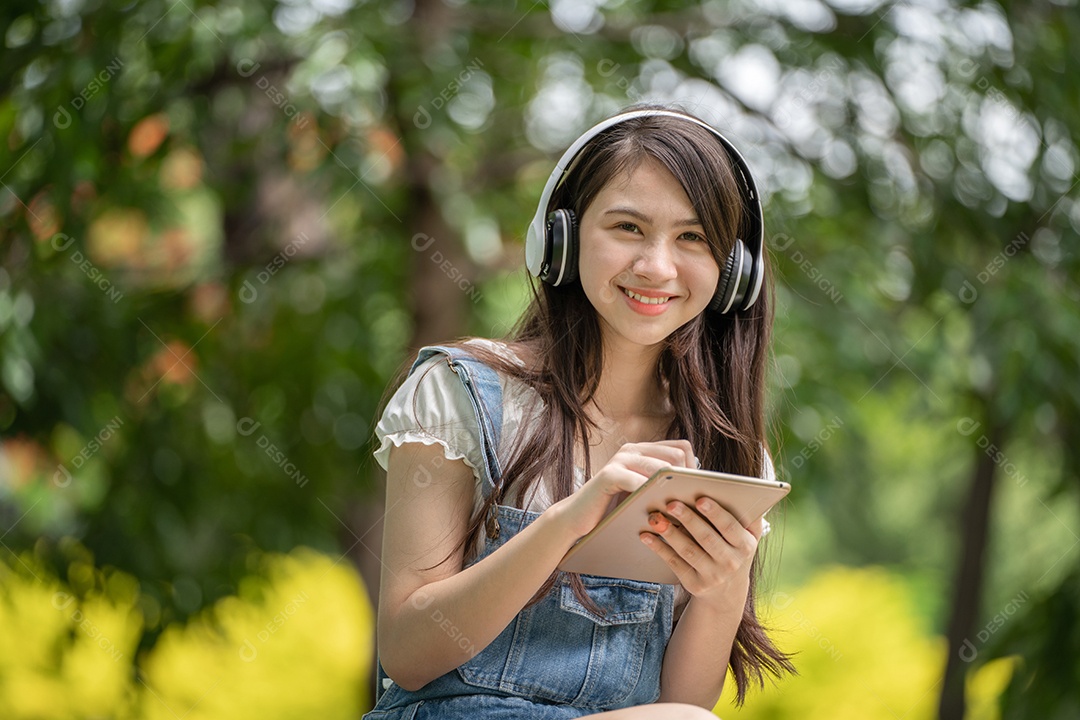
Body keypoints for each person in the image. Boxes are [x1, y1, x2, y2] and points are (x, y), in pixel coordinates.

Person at [363, 104, 794, 720]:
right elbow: (406, 653)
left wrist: (723, 589)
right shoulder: (462, 393)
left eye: (693, 237)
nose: (657, 266)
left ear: (733, 272)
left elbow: (680, 702)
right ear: (560, 240)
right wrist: (568, 523)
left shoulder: (726, 455)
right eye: (627, 227)